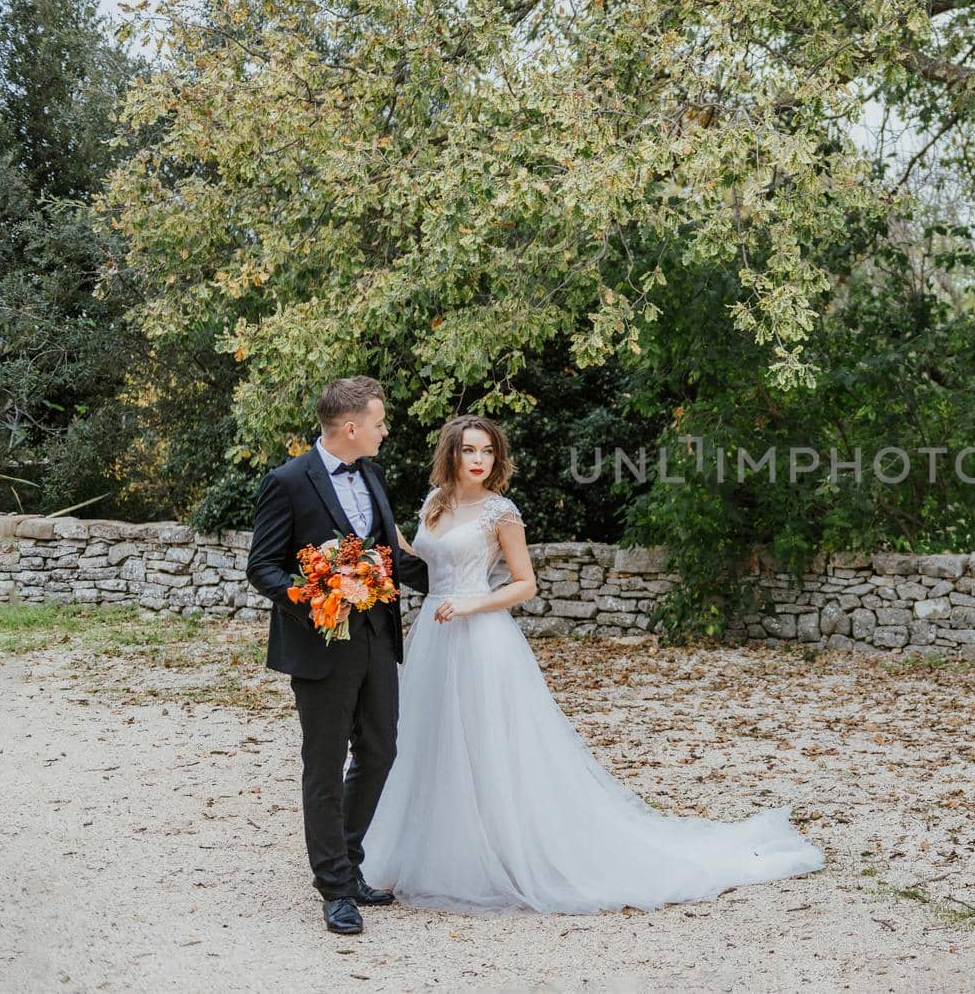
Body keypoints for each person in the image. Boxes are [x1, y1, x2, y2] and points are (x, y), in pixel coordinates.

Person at [360, 414, 824, 913]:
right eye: (469, 450)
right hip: (433, 632)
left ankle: (503, 855)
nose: (478, 460)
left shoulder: (502, 513)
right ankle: (434, 850)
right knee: (431, 738)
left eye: (487, 452)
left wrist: (472, 603)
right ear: (451, 452)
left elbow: (525, 583)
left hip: (480, 635)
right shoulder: (435, 503)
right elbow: (419, 560)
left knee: (488, 742)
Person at [244, 376, 430, 935]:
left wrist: (459, 578)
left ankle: (347, 862)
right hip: (322, 645)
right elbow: (263, 567)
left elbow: (389, 557)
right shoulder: (286, 481)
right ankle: (335, 888)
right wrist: (317, 597)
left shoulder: (372, 474)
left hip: (377, 639)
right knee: (323, 764)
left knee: (380, 751)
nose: (385, 430)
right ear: (351, 427)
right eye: (379, 422)